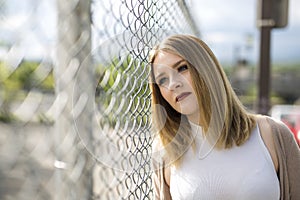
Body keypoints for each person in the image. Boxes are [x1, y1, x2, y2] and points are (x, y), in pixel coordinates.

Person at [149, 34, 300, 200]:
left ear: (207, 69)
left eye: (182, 68)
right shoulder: (165, 151)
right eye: (162, 79)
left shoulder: (271, 133)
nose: (173, 84)